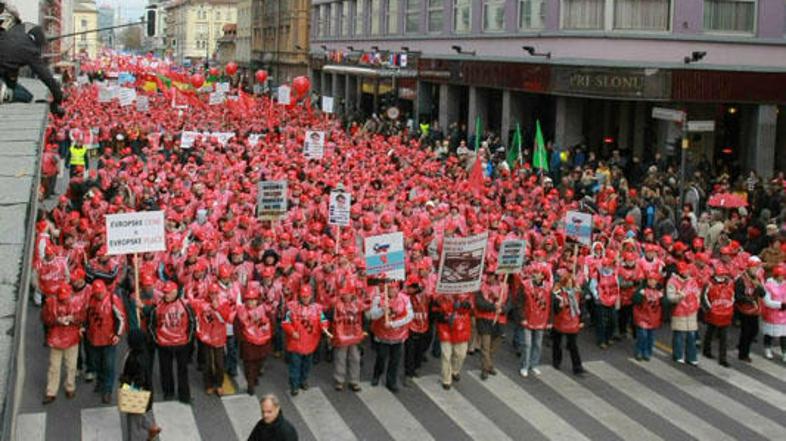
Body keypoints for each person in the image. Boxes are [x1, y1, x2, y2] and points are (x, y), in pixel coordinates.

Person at [0, 3, 64, 115]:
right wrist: (58, 99)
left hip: (5, 72)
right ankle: (6, 93)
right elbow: (47, 78)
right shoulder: (30, 51)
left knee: (19, 89)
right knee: (26, 96)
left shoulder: (14, 29)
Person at [150, 281, 196, 404]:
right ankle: (168, 392)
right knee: (165, 370)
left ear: (175, 292)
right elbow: (151, 325)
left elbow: (192, 322)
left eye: (169, 293)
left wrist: (188, 339)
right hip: (164, 344)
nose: (166, 295)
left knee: (183, 371)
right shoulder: (157, 306)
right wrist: (157, 340)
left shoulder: (185, 305)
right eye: (165, 293)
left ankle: (184, 395)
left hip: (181, 343)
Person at [281, 284, 329, 396]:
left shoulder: (317, 309)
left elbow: (323, 320)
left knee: (307, 365)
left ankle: (303, 380)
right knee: (295, 366)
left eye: (307, 296)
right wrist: (292, 332)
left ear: (311, 296)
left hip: (310, 343)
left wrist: (325, 328)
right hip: (296, 343)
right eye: (303, 296)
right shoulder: (292, 307)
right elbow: (285, 322)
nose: (305, 298)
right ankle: (294, 385)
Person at [41, 284, 85, 404]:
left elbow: (82, 317)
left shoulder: (77, 302)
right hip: (57, 337)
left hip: (70, 336)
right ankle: (51, 391)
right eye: (62, 298)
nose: (64, 300)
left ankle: (69, 386)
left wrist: (73, 319)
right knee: (54, 367)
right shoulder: (51, 303)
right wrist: (56, 320)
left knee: (71, 366)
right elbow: (45, 318)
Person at [85, 279, 126, 404]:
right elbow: (86, 316)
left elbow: (121, 318)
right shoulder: (90, 300)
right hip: (93, 338)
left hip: (108, 339)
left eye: (101, 292)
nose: (99, 294)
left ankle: (107, 389)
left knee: (108, 365)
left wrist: (117, 334)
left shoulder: (113, 299)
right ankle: (101, 381)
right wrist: (84, 327)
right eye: (97, 292)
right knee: (96, 362)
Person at [370, 280, 413, 393]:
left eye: (395, 288)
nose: (393, 291)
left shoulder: (405, 299)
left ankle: (391, 382)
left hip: (398, 336)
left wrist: (393, 324)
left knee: (395, 360)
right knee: (381, 357)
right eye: (390, 288)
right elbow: (372, 316)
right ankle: (377, 375)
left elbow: (409, 316)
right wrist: (381, 310)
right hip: (383, 335)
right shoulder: (378, 299)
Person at [119, 329, 162, 441]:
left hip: (135, 392)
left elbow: (139, 379)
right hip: (144, 391)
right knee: (137, 415)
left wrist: (125, 380)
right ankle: (151, 427)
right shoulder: (143, 352)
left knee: (133, 422)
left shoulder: (135, 357)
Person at [235, 285, 273, 396]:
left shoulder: (264, 310)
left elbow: (271, 323)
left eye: (253, 300)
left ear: (257, 300)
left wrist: (269, 337)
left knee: (259, 363)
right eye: (248, 300)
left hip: (262, 342)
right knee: (249, 365)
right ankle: (250, 384)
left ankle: (254, 378)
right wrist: (242, 340)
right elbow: (237, 327)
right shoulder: (241, 312)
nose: (250, 303)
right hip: (248, 343)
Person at [432, 290, 473, 389]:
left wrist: (464, 304)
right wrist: (445, 318)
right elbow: (434, 312)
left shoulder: (467, 295)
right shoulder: (439, 297)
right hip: (445, 330)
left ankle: (455, 370)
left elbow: (472, 310)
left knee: (461, 354)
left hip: (461, 329)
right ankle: (446, 379)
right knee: (446, 355)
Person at [518, 263, 553, 377]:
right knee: (527, 344)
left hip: (541, 320)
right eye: (533, 272)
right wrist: (522, 318)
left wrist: (550, 321)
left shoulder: (548, 287)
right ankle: (525, 365)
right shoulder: (524, 285)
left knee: (538, 344)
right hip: (527, 319)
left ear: (543, 275)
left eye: (537, 273)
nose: (534, 275)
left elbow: (551, 305)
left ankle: (534, 364)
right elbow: (519, 303)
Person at [474, 270, 510, 380]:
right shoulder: (480, 287)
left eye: (490, 275)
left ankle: (488, 363)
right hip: (484, 320)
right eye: (487, 275)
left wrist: (502, 309)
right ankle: (485, 368)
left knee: (494, 346)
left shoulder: (505, 287)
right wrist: (493, 307)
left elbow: (509, 304)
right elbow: (479, 303)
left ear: (496, 276)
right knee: (485, 346)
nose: (487, 277)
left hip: (499, 321)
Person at [331, 284, 366, 392]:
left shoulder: (358, 303)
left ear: (353, 294)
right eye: (344, 294)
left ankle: (354, 381)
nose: (346, 296)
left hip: (354, 335)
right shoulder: (337, 304)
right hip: (342, 335)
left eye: (349, 294)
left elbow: (367, 307)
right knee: (340, 357)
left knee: (355, 357)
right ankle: (339, 380)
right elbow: (334, 319)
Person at [667, 262, 701, 365]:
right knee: (679, 334)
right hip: (679, 311)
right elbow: (670, 297)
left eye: (687, 271)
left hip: (691, 311)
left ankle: (692, 357)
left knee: (692, 335)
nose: (686, 272)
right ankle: (678, 355)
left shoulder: (692, 281)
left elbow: (697, 293)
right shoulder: (672, 281)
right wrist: (680, 296)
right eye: (684, 271)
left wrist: (697, 303)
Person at [551, 270, 584, 375]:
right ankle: (556, 361)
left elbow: (581, 307)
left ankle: (577, 367)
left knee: (573, 346)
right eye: (567, 282)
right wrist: (559, 306)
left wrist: (581, 320)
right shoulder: (558, 293)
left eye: (571, 282)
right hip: (560, 321)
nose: (569, 284)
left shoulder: (576, 292)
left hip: (572, 322)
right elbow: (555, 309)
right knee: (557, 343)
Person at [701, 267, 734, 367]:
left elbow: (732, 296)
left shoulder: (729, 283)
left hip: (725, 314)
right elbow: (704, 297)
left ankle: (723, 359)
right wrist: (710, 309)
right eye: (720, 274)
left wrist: (729, 306)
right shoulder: (709, 283)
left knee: (724, 337)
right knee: (710, 333)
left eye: (723, 274)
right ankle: (706, 350)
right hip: (713, 313)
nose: (722, 276)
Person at [734, 256, 764, 362]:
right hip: (744, 309)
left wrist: (758, 286)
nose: (756, 270)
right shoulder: (741, 279)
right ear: (749, 268)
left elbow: (763, 294)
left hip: (754, 310)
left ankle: (742, 346)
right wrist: (749, 300)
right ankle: (743, 354)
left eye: (757, 268)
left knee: (754, 331)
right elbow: (738, 296)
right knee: (746, 332)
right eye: (754, 268)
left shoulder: (757, 279)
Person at [632, 271, 663, 361]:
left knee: (650, 337)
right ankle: (639, 351)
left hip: (653, 317)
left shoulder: (659, 291)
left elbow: (664, 304)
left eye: (654, 280)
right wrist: (640, 295)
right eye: (650, 279)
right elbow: (635, 300)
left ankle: (647, 352)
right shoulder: (641, 289)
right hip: (642, 316)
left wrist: (662, 297)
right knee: (642, 335)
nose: (652, 282)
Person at [762, 263, 786, 361]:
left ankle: (784, 352)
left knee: (784, 335)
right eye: (780, 276)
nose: (782, 278)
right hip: (772, 314)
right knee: (769, 333)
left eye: (783, 276)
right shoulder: (768, 285)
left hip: (784, 315)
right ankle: (767, 349)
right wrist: (780, 305)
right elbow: (767, 301)